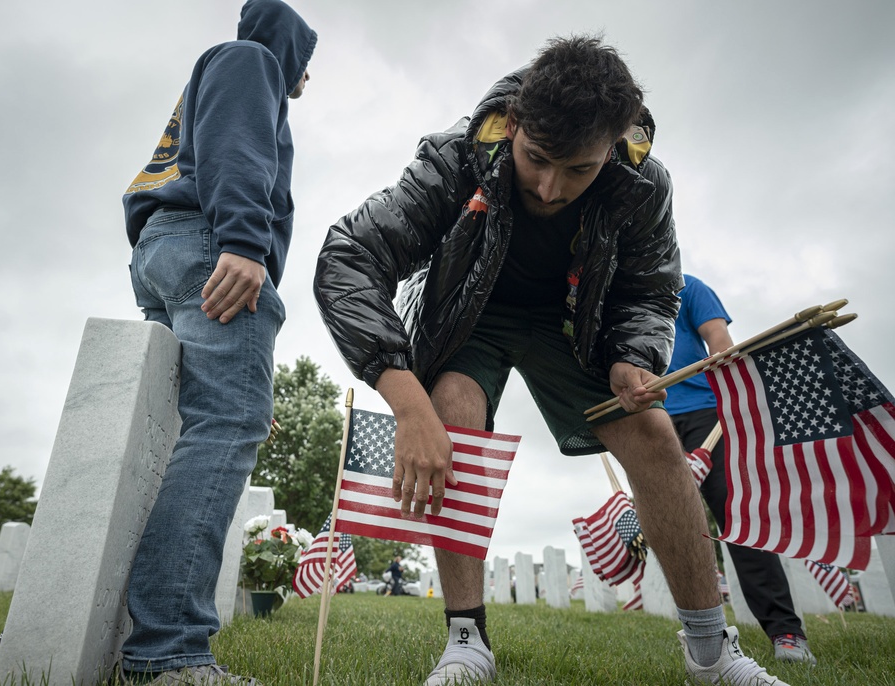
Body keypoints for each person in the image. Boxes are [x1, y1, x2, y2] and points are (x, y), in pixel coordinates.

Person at [315, 36, 788, 685]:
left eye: (578, 170)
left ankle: (710, 649)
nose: (549, 186)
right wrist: (407, 402)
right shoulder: (455, 157)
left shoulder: (644, 184)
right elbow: (349, 257)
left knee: (651, 434)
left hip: (575, 320)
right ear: (513, 124)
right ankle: (465, 640)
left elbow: (651, 286)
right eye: (536, 159)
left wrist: (631, 358)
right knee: (451, 408)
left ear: (615, 146)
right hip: (473, 310)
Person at [120, 1, 315, 684]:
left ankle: (119, 630)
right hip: (212, 241)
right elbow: (239, 147)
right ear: (288, 47)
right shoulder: (251, 61)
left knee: (182, 431)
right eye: (307, 63)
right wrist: (242, 240)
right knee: (227, 422)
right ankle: (167, 648)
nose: (306, 81)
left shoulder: (211, 69)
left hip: (163, 245)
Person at [666, 274, 817, 665]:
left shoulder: (687, 286)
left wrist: (729, 391)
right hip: (648, 420)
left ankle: (786, 632)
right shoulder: (613, 292)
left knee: (738, 520)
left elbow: (718, 338)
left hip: (704, 415)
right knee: (673, 525)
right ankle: (703, 637)